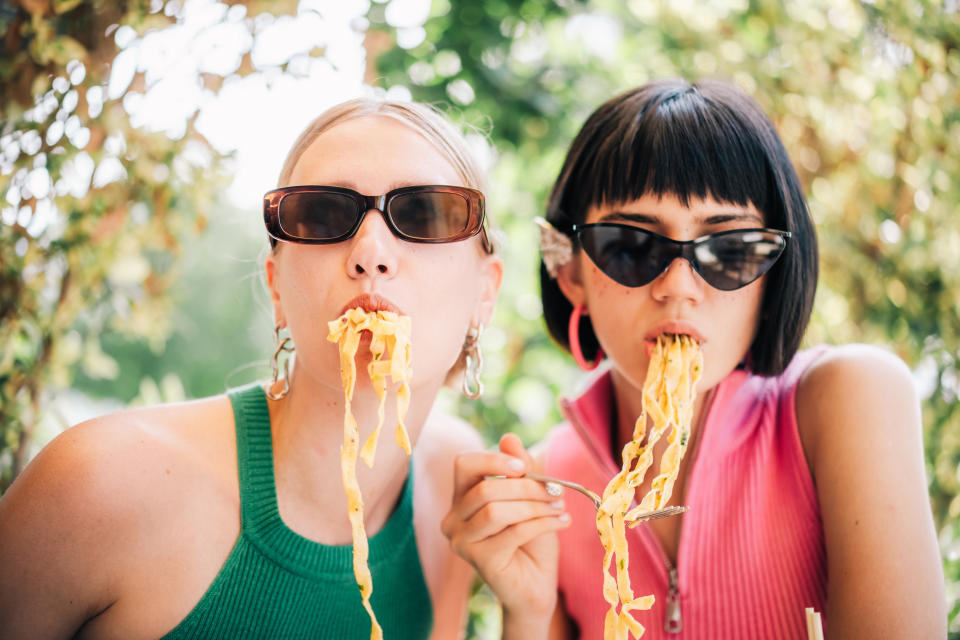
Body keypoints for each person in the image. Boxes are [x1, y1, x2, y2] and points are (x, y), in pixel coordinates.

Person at [442, 79, 945, 639]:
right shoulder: (545, 491)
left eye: (729, 249)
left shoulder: (851, 399)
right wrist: (528, 613)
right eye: (631, 246)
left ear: (772, 273)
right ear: (570, 272)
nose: (678, 286)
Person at [0, 97, 503, 639]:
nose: (371, 252)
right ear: (276, 287)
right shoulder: (98, 485)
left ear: (485, 293)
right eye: (322, 215)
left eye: (424, 214)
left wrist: (526, 616)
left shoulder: (453, 487)